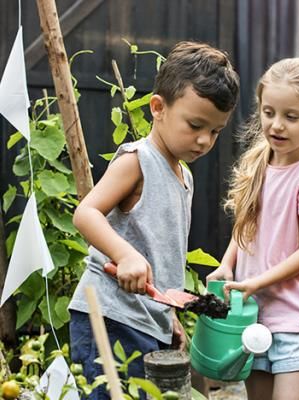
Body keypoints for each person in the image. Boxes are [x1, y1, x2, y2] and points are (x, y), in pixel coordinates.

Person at [68, 41, 239, 399]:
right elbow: (85, 213)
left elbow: (160, 251)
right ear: (158, 108)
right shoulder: (137, 160)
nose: (205, 140)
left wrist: (168, 316)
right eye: (195, 125)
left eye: (216, 131)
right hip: (110, 317)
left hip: (148, 321)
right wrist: (125, 254)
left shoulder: (184, 177)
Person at [207, 56, 299, 400]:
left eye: (291, 117)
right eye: (268, 112)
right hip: (253, 312)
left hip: (296, 318)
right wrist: (227, 263)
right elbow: (245, 224)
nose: (276, 125)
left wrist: (255, 282)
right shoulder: (259, 162)